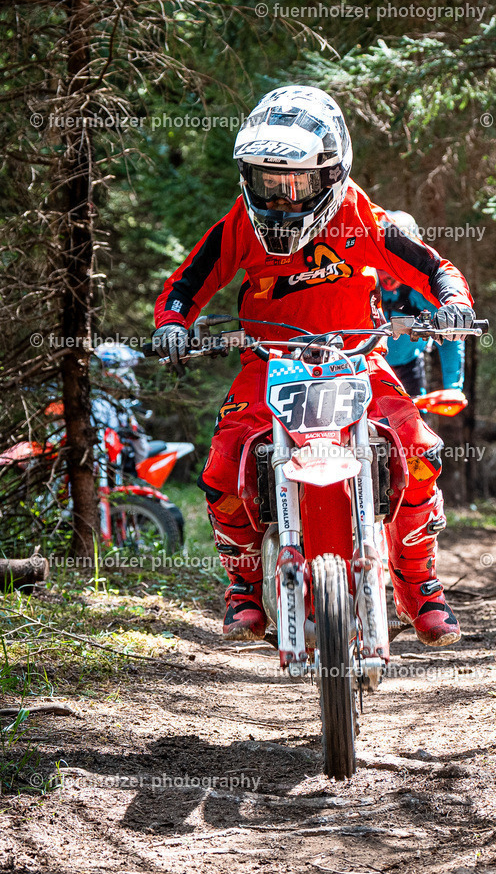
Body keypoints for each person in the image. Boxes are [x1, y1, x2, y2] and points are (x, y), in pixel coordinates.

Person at [152, 85, 476, 646]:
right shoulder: (243, 223)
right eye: (265, 181)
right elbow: (189, 281)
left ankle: (420, 586)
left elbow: (429, 264)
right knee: (224, 461)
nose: (279, 197)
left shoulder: (357, 212)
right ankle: (243, 590)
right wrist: (173, 323)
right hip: (268, 359)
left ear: (330, 174)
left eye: (295, 182)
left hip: (359, 356)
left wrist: (452, 300)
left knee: (418, 449)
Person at [378, 211, 465, 399]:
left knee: (414, 423)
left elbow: (450, 336)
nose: (385, 274)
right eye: (381, 264)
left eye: (395, 264)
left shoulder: (426, 287)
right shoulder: (363, 280)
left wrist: (452, 387)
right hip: (365, 364)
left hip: (409, 367)